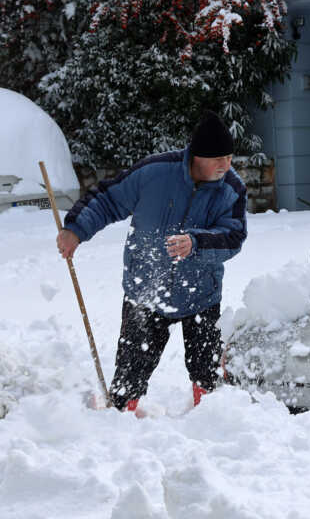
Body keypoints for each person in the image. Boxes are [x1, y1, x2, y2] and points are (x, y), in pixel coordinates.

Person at [56, 111, 247, 414]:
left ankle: (210, 422)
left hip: (200, 294)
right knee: (130, 372)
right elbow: (108, 199)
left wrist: (196, 243)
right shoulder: (155, 172)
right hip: (146, 289)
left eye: (229, 157)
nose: (226, 165)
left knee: (206, 371)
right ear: (197, 156)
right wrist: (75, 230)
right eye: (218, 159)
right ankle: (121, 419)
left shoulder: (231, 189)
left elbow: (234, 237)